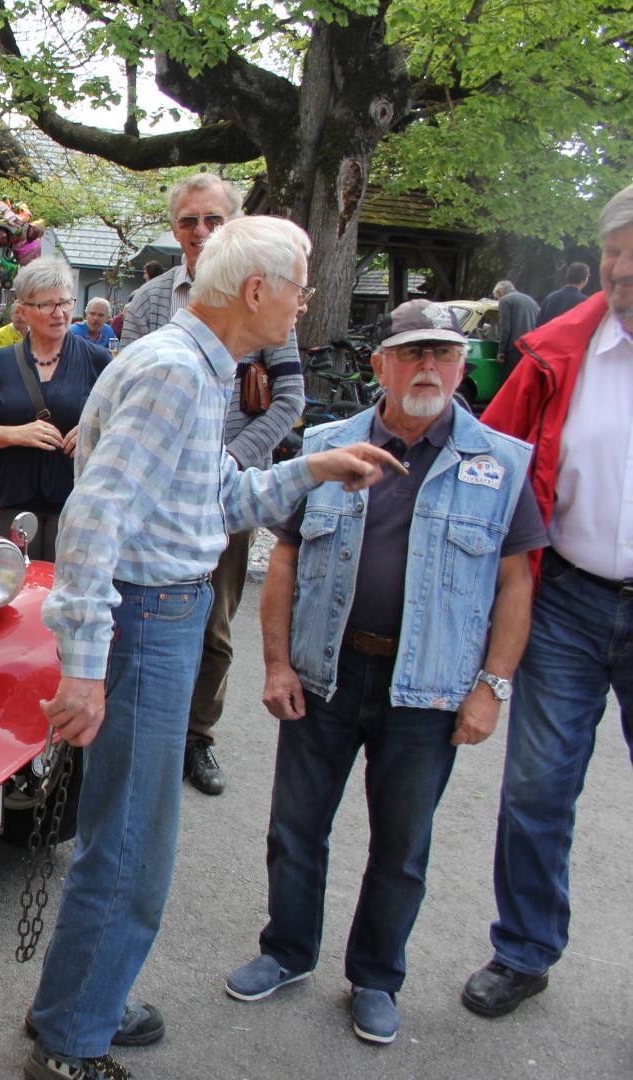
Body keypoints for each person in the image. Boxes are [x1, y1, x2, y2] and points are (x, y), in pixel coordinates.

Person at [24, 217, 400, 1080]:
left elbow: (219, 499)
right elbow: (92, 518)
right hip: (150, 622)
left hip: (165, 617)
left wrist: (315, 466)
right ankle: (73, 1043)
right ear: (259, 292)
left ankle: (78, 1006)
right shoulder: (175, 374)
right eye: (300, 286)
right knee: (130, 847)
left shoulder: (193, 366)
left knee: (126, 837)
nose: (305, 303)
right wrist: (83, 668)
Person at [225, 298, 544, 1045]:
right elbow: (286, 561)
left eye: (443, 354)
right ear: (381, 365)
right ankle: (287, 951)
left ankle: (375, 976)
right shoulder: (327, 445)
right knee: (295, 829)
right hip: (326, 675)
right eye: (412, 353)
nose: (428, 367)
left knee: (401, 849)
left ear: (463, 366)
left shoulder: (498, 464)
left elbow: (516, 585)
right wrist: (275, 664)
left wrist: (491, 689)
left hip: (428, 691)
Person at [461, 181, 633, 1019]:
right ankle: (525, 950)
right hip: (568, 597)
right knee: (537, 786)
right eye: (616, 252)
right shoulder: (558, 348)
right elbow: (490, 453)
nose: (625, 270)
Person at [119, 172, 304, 796]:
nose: (200, 232)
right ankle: (146, 728)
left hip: (228, 488)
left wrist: (225, 458)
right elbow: (127, 396)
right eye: (188, 221)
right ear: (174, 229)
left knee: (214, 624)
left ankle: (196, 736)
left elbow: (289, 398)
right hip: (158, 494)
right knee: (148, 608)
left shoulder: (267, 301)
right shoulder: (150, 303)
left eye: (213, 220)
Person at [0, 258, 112, 561]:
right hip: (8, 501)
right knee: (13, 592)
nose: (60, 313)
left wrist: (96, 429)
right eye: (47, 305)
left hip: (74, 500)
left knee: (61, 594)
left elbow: (127, 423)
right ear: (23, 310)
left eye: (65, 302)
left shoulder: (98, 361)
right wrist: (16, 434)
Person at [493, 279, 540, 374]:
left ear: (499, 292)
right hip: (531, 350)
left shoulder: (505, 300)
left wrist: (501, 351)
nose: (498, 300)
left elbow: (505, 328)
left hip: (514, 350)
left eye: (497, 298)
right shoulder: (531, 301)